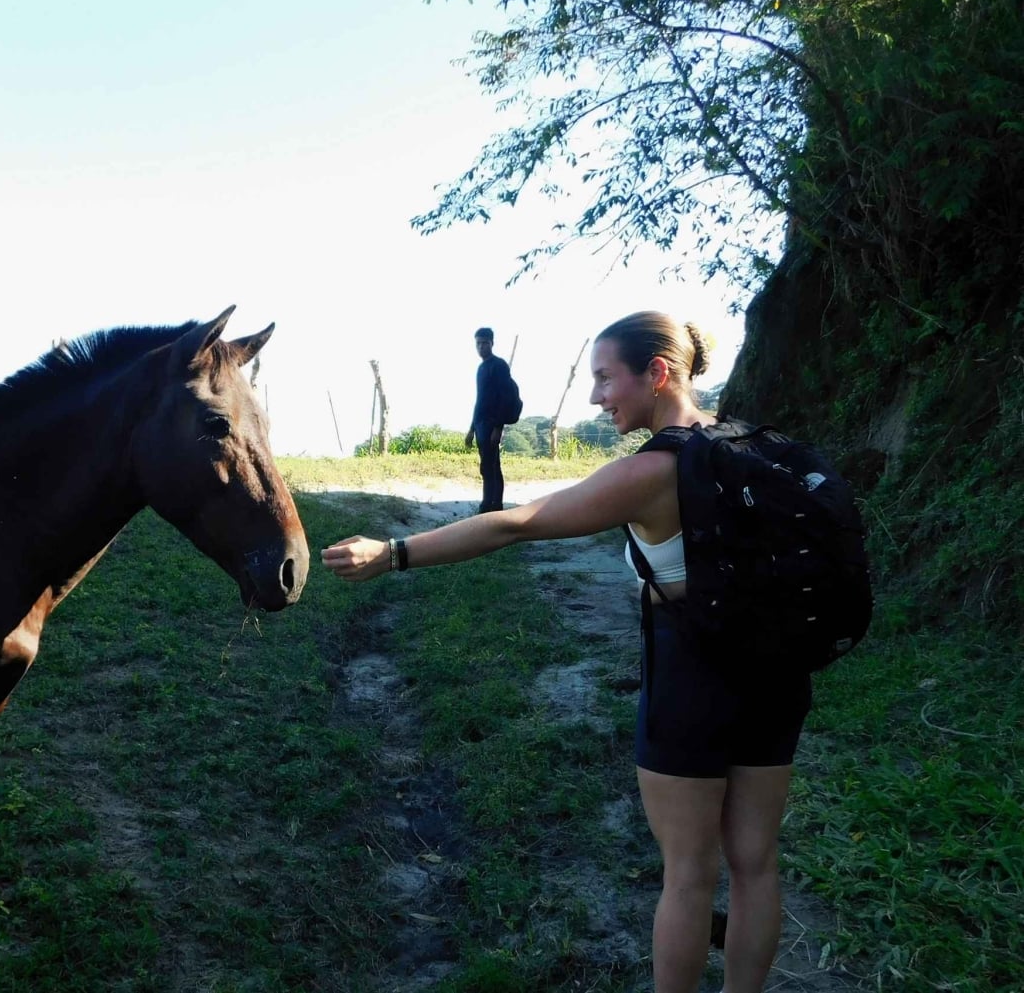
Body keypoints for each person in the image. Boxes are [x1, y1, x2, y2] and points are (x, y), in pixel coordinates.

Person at [322, 311, 811, 993]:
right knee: (757, 862)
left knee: (689, 871)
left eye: (605, 378)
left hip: (692, 676)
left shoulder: (654, 469)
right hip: (778, 671)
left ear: (657, 373)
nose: (594, 397)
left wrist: (394, 552)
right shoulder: (760, 446)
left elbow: (519, 523)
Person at [465, 326, 513, 513]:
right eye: (478, 343)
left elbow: (506, 398)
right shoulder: (481, 368)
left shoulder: (499, 365)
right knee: (486, 465)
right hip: (480, 424)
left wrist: (498, 428)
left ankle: (493, 506)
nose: (481, 347)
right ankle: (488, 504)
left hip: (492, 423)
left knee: (492, 465)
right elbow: (479, 400)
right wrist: (471, 429)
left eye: (485, 343)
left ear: (492, 343)